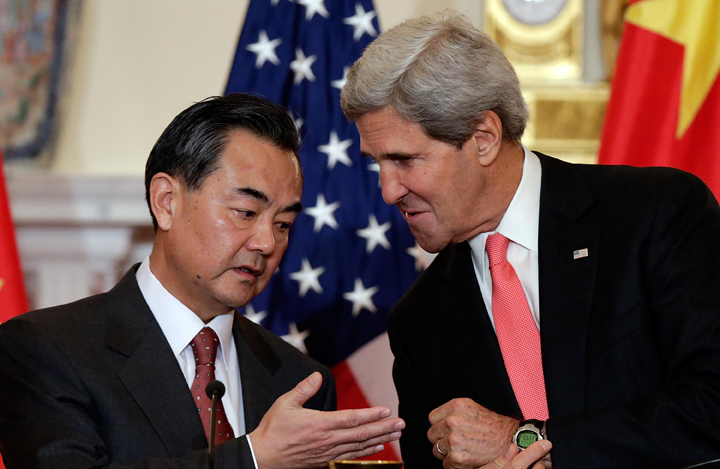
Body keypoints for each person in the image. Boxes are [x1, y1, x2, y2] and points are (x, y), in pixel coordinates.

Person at [340, 11, 720, 469]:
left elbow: (712, 403)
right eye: (377, 163)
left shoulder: (653, 214)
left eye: (404, 160)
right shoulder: (418, 320)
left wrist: (526, 440)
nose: (387, 191)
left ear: (483, 138)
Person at [0, 93, 405, 469]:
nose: (267, 243)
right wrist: (253, 458)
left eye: (283, 224)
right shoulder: (46, 351)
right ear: (167, 202)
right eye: (246, 212)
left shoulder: (300, 380)